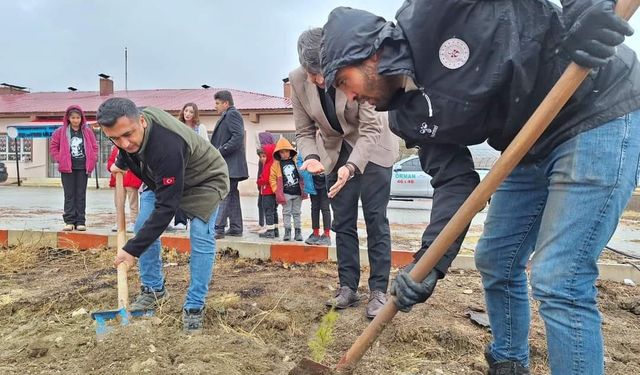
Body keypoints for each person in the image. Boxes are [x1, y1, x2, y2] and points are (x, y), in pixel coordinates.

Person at [320, 2, 640, 373]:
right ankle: (508, 364)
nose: (351, 98)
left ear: (369, 53)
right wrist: (427, 265)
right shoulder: (407, 118)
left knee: (560, 277)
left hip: (593, 105)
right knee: (497, 259)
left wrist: (585, 8)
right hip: (527, 141)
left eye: (344, 82)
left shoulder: (430, 11)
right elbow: (454, 182)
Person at [97, 97, 229, 333]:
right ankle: (154, 289)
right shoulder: (128, 132)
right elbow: (126, 146)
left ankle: (195, 305)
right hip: (163, 178)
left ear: (142, 121)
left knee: (200, 235)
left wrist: (131, 250)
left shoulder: (167, 143)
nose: (124, 143)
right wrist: (121, 161)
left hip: (204, 180)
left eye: (128, 134)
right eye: (115, 138)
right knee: (142, 228)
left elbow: (166, 208)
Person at [292, 28, 399, 319]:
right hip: (332, 153)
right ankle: (348, 287)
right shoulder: (298, 81)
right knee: (343, 222)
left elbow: (371, 129)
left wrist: (351, 168)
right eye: (313, 74)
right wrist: (312, 157)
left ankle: (378, 290)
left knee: (376, 219)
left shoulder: (356, 68)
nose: (321, 80)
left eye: (324, 71)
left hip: (373, 150)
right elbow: (303, 131)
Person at [49, 105, 98, 231]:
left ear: (82, 118)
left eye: (78, 117)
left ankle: (80, 221)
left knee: (81, 194)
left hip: (83, 167)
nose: (76, 120)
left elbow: (94, 146)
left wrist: (93, 158)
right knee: (69, 194)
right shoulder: (61, 131)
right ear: (68, 118)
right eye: (73, 118)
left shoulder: (87, 132)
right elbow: (53, 146)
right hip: (67, 168)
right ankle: (69, 221)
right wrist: (59, 158)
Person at [210, 90, 249, 239]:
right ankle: (235, 227)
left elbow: (238, 136)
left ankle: (218, 228)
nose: (216, 106)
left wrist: (220, 151)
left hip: (231, 164)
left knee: (224, 194)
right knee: (232, 194)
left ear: (226, 103)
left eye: (218, 103)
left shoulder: (232, 114)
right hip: (230, 165)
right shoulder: (228, 115)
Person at [172, 102, 210, 230]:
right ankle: (180, 221)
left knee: (195, 192)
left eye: (191, 112)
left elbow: (206, 146)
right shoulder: (177, 126)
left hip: (196, 164)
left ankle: (196, 218)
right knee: (179, 191)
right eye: (186, 111)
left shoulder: (201, 128)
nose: (188, 114)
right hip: (180, 163)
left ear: (195, 114)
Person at [269, 137, 307, 241]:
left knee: (297, 213)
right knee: (286, 212)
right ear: (278, 153)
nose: (285, 154)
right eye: (282, 152)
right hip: (285, 193)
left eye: (286, 151)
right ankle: (287, 232)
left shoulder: (296, 161)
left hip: (298, 192)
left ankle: (298, 232)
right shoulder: (276, 165)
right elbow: (272, 178)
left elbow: (303, 173)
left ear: (290, 151)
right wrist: (276, 190)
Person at [107, 145, 142, 233]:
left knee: (133, 203)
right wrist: (113, 168)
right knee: (118, 203)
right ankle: (119, 222)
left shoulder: (132, 148)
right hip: (118, 181)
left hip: (131, 180)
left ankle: (134, 222)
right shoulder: (115, 149)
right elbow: (110, 162)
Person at [257, 141, 280, 239]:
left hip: (267, 192)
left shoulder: (268, 166)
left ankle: (270, 231)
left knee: (268, 211)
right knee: (273, 211)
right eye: (261, 157)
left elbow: (265, 179)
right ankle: (275, 230)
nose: (262, 159)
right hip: (273, 192)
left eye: (264, 156)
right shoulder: (273, 164)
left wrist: (259, 181)